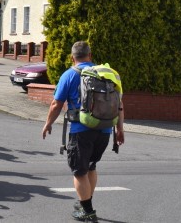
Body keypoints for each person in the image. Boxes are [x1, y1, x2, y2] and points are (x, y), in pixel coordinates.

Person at [42, 41, 125, 223]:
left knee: (80, 171)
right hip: (104, 130)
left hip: (81, 130)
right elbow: (119, 104)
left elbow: (56, 104)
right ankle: (85, 203)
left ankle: (87, 212)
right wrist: (120, 129)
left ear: (73, 57)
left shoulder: (70, 75)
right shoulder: (107, 74)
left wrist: (48, 123)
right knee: (91, 166)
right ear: (90, 55)